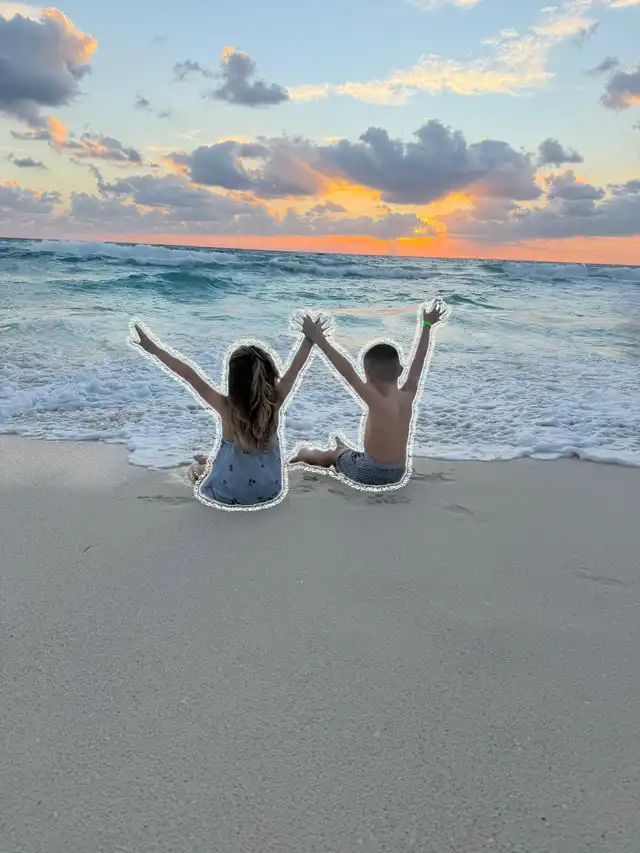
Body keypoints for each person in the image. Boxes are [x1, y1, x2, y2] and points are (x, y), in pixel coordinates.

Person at [130, 317, 328, 508]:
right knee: (230, 460)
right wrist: (309, 339)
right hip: (271, 491)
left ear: (233, 381)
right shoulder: (274, 402)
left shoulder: (225, 406)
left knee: (196, 470)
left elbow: (189, 375)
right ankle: (213, 462)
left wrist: (154, 349)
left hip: (229, 495)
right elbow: (294, 371)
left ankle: (210, 464)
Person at [290, 300, 448, 488]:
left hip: (370, 472)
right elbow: (419, 360)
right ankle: (343, 450)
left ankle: (304, 454)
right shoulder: (408, 394)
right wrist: (427, 325)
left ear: (369, 375)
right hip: (398, 472)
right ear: (400, 370)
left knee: (333, 455)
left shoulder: (375, 399)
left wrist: (318, 338)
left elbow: (347, 371)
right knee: (349, 454)